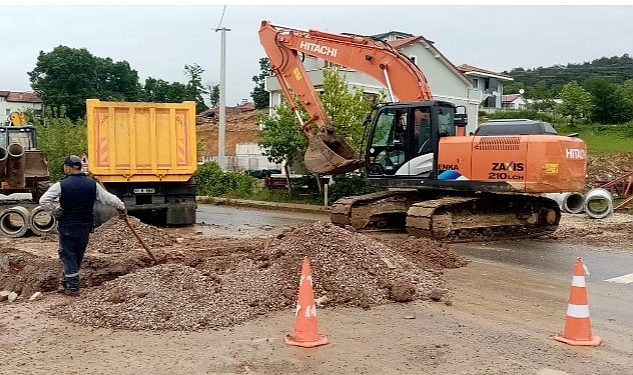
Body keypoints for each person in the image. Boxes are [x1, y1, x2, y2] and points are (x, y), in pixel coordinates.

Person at [39, 155, 126, 296]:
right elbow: (110, 199)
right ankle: (65, 282)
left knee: (68, 255)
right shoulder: (92, 184)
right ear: (80, 167)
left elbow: (44, 200)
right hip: (85, 226)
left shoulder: (62, 185)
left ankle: (73, 287)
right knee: (77, 255)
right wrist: (121, 208)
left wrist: (55, 211)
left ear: (68, 168)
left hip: (67, 226)